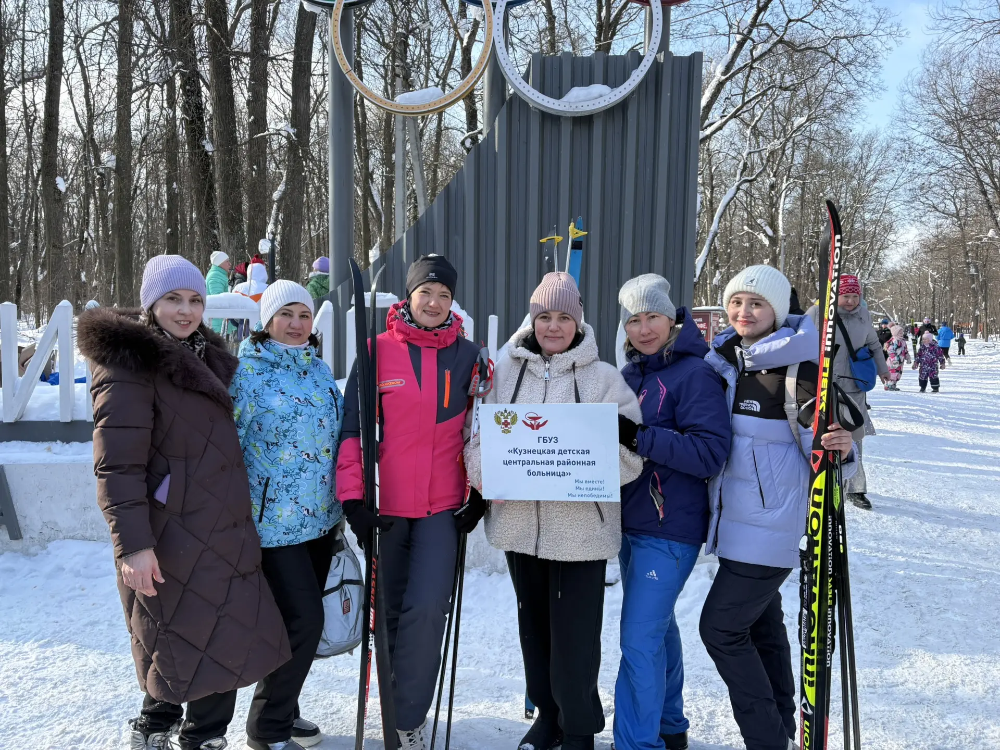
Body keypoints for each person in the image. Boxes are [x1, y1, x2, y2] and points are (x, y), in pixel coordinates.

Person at [77, 255, 290, 750]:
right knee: (182, 640)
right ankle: (171, 734)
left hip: (220, 528)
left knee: (217, 640)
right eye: (173, 299)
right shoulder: (130, 367)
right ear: (151, 304)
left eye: (195, 300)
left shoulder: (206, 357)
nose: (186, 310)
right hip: (170, 532)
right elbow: (117, 467)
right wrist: (133, 547)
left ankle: (192, 735)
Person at [464, 272, 644, 750]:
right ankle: (548, 717)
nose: (553, 326)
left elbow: (632, 458)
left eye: (564, 316)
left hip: (583, 531)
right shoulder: (505, 373)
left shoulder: (605, 379)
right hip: (522, 528)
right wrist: (489, 475)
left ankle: (579, 725)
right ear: (532, 319)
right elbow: (478, 437)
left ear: (578, 321)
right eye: (544, 316)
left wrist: (588, 457)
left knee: (576, 638)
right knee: (535, 632)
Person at [701, 265, 857, 750]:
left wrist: (842, 451)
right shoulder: (725, 360)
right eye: (737, 302)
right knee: (762, 629)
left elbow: (835, 455)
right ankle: (785, 732)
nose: (744, 313)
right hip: (732, 524)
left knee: (721, 628)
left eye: (757, 304)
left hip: (771, 528)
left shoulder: (801, 371)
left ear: (778, 310)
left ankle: (766, 740)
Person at [336, 255, 485, 750]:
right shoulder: (376, 351)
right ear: (409, 296)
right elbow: (353, 431)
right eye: (427, 293)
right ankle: (390, 706)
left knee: (426, 610)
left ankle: (411, 719)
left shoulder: (469, 356)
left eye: (444, 295)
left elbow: (486, 429)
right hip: (388, 508)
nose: (435, 303)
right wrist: (355, 499)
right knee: (388, 611)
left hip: (443, 508)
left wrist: (480, 494)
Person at [613, 275, 731, 750]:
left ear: (673, 318)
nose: (643, 329)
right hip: (631, 522)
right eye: (634, 320)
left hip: (669, 527)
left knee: (639, 642)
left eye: (652, 317)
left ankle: (637, 744)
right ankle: (668, 726)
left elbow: (709, 453)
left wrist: (640, 438)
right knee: (658, 631)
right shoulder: (630, 375)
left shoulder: (694, 373)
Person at [231, 281, 345, 750]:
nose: (297, 324)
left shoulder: (319, 371)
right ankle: (267, 728)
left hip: (320, 518)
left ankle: (285, 705)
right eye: (287, 315)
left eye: (304, 315)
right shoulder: (247, 373)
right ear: (266, 320)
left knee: (290, 625)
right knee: (304, 621)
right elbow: (229, 445)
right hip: (273, 524)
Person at [806, 274, 887, 511]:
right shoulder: (817, 313)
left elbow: (873, 344)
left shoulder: (864, 316)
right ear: (835, 295)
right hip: (821, 386)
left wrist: (883, 370)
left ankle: (856, 488)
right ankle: (819, 481)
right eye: (845, 296)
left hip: (852, 387)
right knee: (821, 434)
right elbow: (799, 342)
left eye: (855, 296)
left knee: (853, 437)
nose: (851, 301)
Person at [205, 251, 231, 333]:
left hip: (219, 321)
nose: (230, 264)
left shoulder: (219, 275)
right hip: (218, 324)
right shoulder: (215, 276)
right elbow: (217, 299)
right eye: (227, 261)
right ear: (220, 263)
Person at [884, 325, 910, 391]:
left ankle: (892, 384)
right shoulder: (894, 341)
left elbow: (905, 350)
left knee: (898, 372)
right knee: (893, 372)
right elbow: (890, 350)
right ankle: (889, 384)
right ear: (895, 333)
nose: (902, 334)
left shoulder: (902, 341)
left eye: (902, 332)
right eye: (900, 333)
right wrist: (895, 358)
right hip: (894, 360)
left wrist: (908, 357)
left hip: (900, 360)